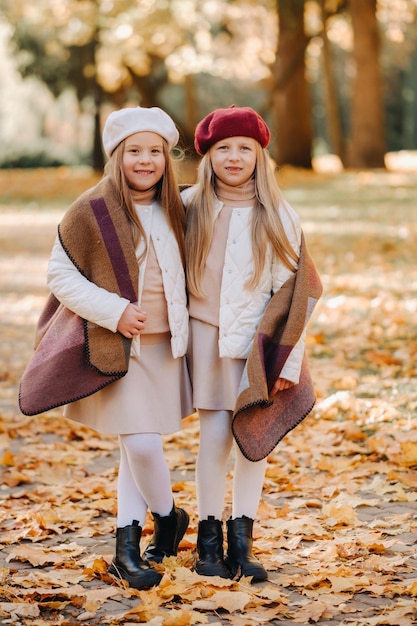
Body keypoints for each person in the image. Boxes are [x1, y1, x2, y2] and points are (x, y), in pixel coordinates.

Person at [46, 106, 193, 589]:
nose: (145, 160)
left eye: (155, 151)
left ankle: (127, 547)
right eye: (135, 151)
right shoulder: (91, 210)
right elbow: (60, 276)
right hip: (119, 343)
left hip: (163, 346)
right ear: (118, 156)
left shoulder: (181, 207)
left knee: (135, 445)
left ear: (167, 158)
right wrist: (114, 311)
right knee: (141, 443)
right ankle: (168, 518)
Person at [183, 105, 316, 582]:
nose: (234, 157)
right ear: (208, 155)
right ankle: (208, 539)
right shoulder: (188, 206)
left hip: (255, 347)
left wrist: (288, 360)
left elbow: (296, 297)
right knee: (215, 438)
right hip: (205, 339)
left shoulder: (279, 214)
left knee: (251, 441)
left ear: (261, 156)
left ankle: (243, 539)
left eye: (245, 148)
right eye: (224, 148)